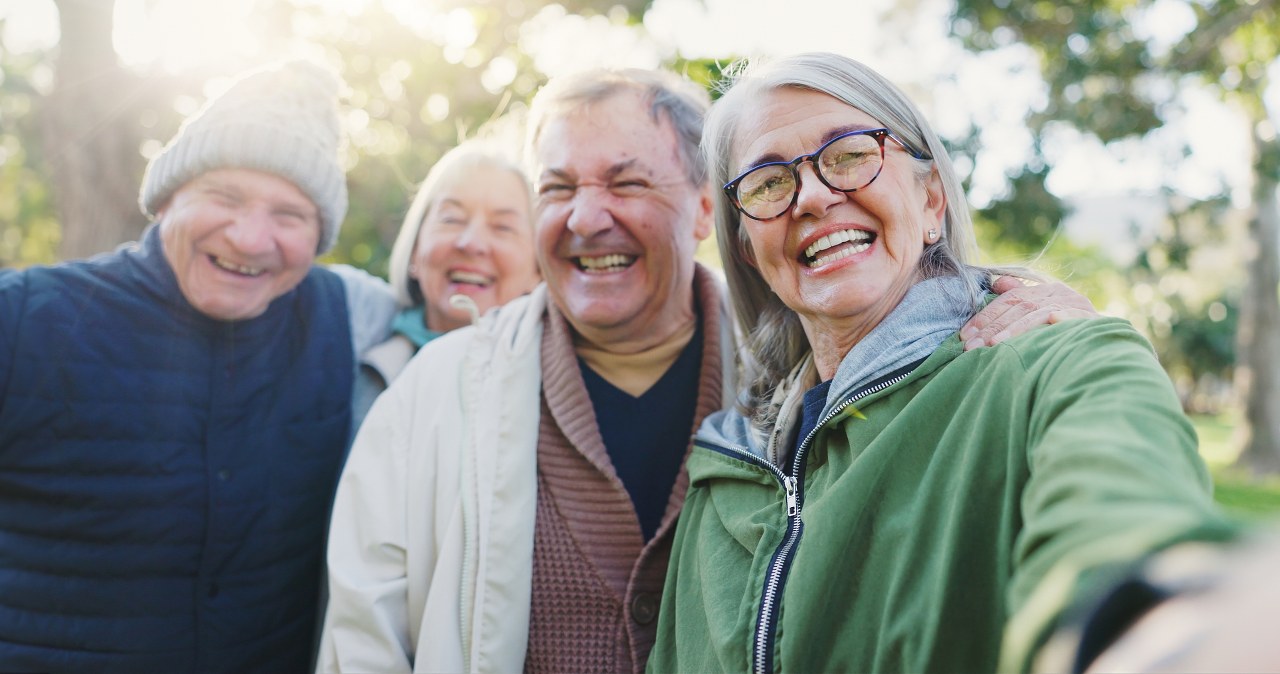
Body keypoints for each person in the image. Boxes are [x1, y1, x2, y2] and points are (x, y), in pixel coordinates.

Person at [317, 67, 1097, 674]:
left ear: (702, 211)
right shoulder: (438, 392)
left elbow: (902, 301)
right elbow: (363, 641)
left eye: (626, 183)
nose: (587, 217)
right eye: (557, 189)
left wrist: (1019, 297)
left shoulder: (799, 376)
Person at [645, 52, 1239, 674]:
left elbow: (1133, 548)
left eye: (849, 153)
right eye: (767, 182)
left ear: (931, 201)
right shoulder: (726, 465)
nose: (814, 197)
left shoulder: (1058, 366)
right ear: (747, 250)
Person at [0, 60, 396, 673]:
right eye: (224, 196)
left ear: (319, 237)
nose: (249, 237)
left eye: (289, 215)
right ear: (166, 200)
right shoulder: (25, 316)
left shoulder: (347, 316)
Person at [353, 139, 540, 426]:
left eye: (503, 227)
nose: (471, 243)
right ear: (415, 248)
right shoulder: (356, 370)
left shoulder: (556, 384)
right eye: (451, 219)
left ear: (537, 270)